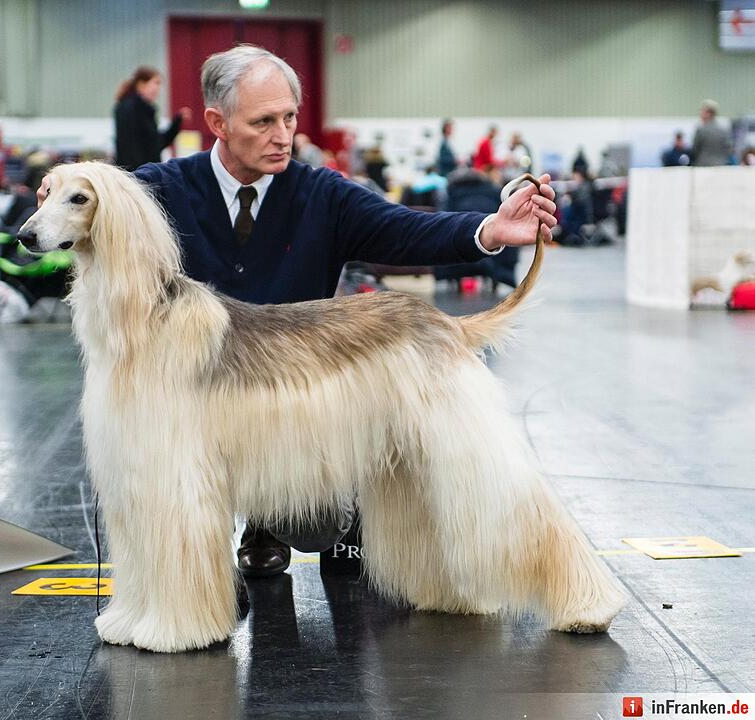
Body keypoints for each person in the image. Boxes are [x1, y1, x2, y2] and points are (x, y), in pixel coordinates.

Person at [39, 45, 556, 578]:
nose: (283, 135)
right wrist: (58, 198)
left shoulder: (323, 194)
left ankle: (297, 513)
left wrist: (490, 229)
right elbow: (102, 201)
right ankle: (205, 568)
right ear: (217, 122)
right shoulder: (161, 189)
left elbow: (405, 229)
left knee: (320, 522)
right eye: (263, 122)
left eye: (289, 117)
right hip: (193, 401)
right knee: (170, 467)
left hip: (296, 394)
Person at [113, 66, 191, 171]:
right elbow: (135, 148)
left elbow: (156, 143)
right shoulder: (133, 109)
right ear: (141, 85)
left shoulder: (141, 109)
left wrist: (177, 122)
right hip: (139, 174)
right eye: (156, 83)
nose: (158, 88)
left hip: (139, 172)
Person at [691, 100, 732, 167]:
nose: (700, 113)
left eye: (702, 111)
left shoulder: (701, 130)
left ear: (708, 113)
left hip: (703, 165)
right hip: (721, 165)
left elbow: (695, 150)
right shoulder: (723, 130)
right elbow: (729, 149)